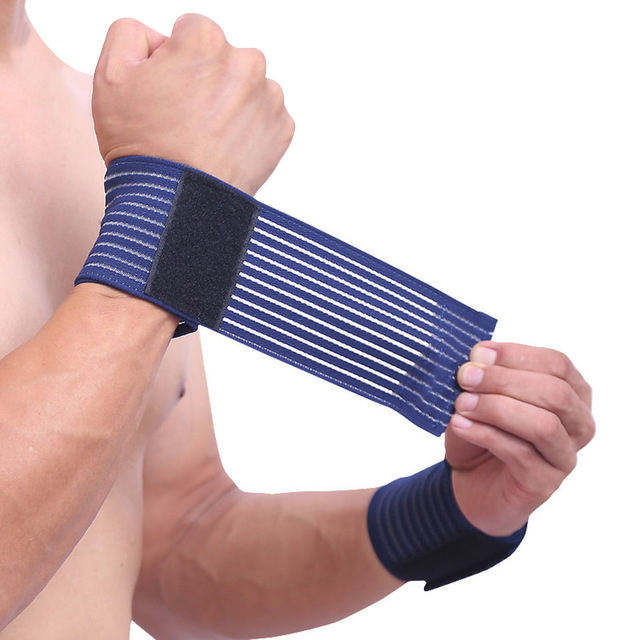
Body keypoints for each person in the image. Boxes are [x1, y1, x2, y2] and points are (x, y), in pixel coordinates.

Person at [0, 3, 595, 638]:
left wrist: (445, 512)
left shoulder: (127, 122)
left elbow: (173, 543)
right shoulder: (154, 158)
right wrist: (157, 225)